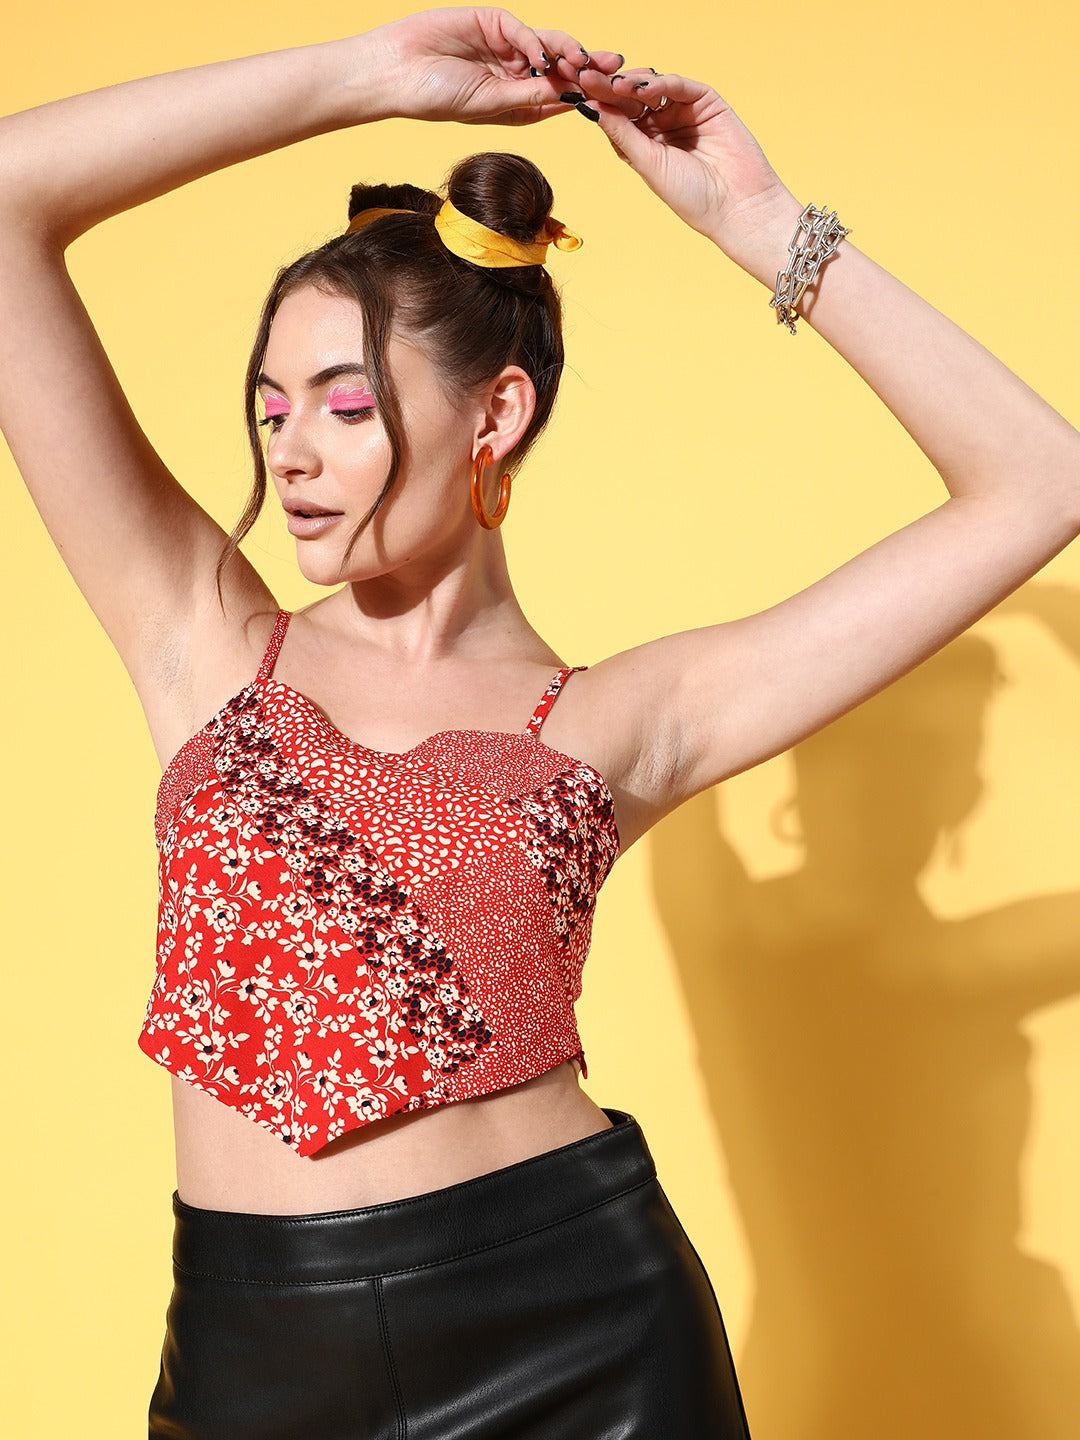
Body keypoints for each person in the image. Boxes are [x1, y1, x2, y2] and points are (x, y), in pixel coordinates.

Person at [0, 6, 1076, 1437]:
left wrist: (756, 222)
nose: (293, 454)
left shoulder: (624, 719)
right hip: (252, 1355)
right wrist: (362, 79)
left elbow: (1042, 482)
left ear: (494, 415)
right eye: (271, 412)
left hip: (583, 1338)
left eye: (345, 405)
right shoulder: (204, 642)